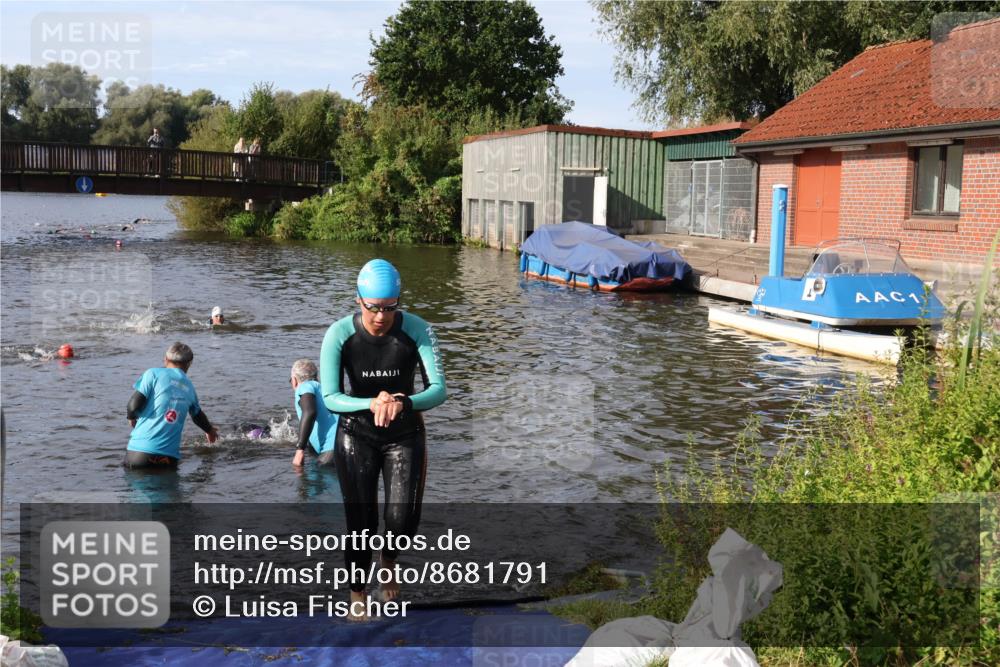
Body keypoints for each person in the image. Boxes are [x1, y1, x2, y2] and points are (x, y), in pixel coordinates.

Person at [320, 259, 447, 617]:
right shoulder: (339, 334)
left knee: (401, 519)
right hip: (355, 435)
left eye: (390, 308)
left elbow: (439, 390)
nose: (381, 316)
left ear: (399, 302)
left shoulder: (418, 330)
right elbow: (330, 397)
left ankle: (388, 559)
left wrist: (404, 401)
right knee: (360, 523)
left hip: (404, 434)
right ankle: (358, 595)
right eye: (373, 308)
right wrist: (371, 402)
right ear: (358, 300)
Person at [125, 342, 218, 469]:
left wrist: (132, 419)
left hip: (137, 455)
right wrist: (210, 431)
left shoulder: (152, 374)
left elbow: (132, 407)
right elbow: (198, 416)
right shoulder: (190, 387)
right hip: (167, 459)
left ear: (165, 359)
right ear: (189, 363)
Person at [290, 359, 337, 468]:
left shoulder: (305, 387)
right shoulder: (325, 389)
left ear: (294, 380)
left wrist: (299, 449)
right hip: (345, 444)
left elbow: (310, 411)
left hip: (331, 451)